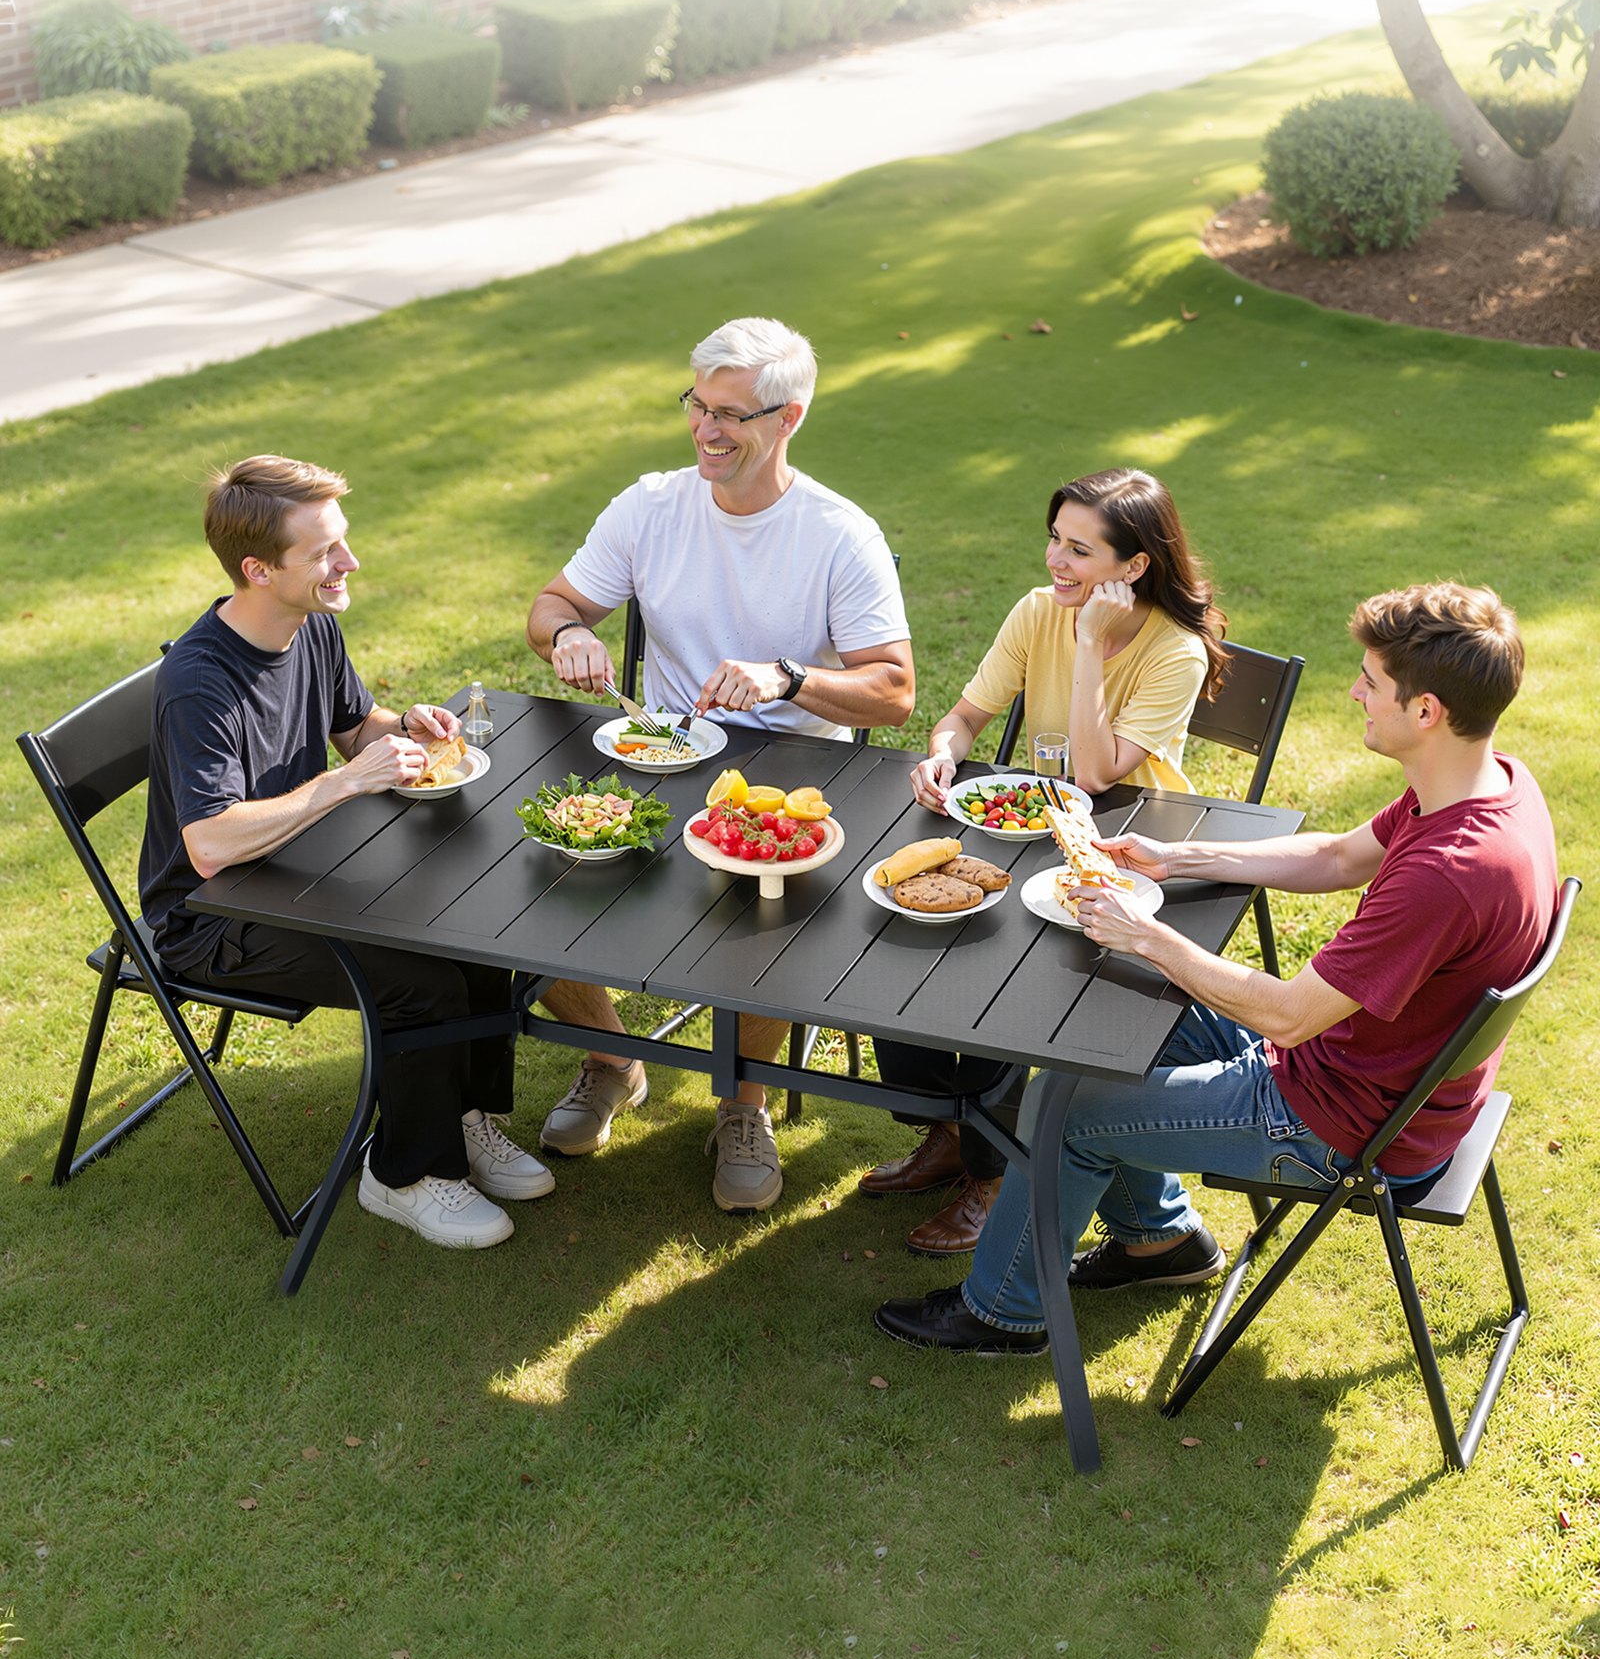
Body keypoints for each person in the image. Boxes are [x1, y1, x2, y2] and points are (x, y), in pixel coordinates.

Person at [873, 582, 1559, 1360]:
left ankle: (1002, 1313)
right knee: (1111, 1017)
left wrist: (1147, 933)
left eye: (1371, 681)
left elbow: (1289, 1017)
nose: (1355, 691)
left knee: (1061, 1109)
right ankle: (1158, 1242)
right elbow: (1338, 855)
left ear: (1426, 710)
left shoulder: (1446, 873)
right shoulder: (1488, 781)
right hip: (1381, 1074)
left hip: (1338, 1119)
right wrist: (1176, 857)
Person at [525, 316, 914, 1212]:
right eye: (697, 406)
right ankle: (613, 1059)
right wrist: (572, 632)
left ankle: (745, 1103)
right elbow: (550, 606)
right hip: (655, 757)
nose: (707, 429)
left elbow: (893, 692)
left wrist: (787, 676)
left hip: (787, 773)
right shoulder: (650, 505)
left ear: (790, 419)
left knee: (766, 915)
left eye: (732, 414)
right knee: (530, 885)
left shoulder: (838, 535)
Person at [139, 454, 556, 1251]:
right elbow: (210, 842)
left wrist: (404, 730)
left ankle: (460, 1123)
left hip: (299, 872)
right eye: (325, 552)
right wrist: (345, 785)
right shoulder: (201, 681)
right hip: (210, 918)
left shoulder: (311, 624)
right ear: (259, 571)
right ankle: (401, 1175)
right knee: (417, 981)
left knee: (473, 932)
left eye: (344, 541)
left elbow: (354, 725)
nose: (349, 563)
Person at [865, 467, 1227, 1256]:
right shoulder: (1036, 611)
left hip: (1126, 849)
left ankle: (993, 1170)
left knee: (1016, 988)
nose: (1056, 564)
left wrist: (1092, 645)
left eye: (1081, 550)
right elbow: (964, 716)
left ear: (1133, 568)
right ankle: (950, 1128)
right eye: (1054, 541)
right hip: (1026, 829)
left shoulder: (1176, 652)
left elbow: (1099, 774)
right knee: (901, 936)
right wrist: (941, 757)